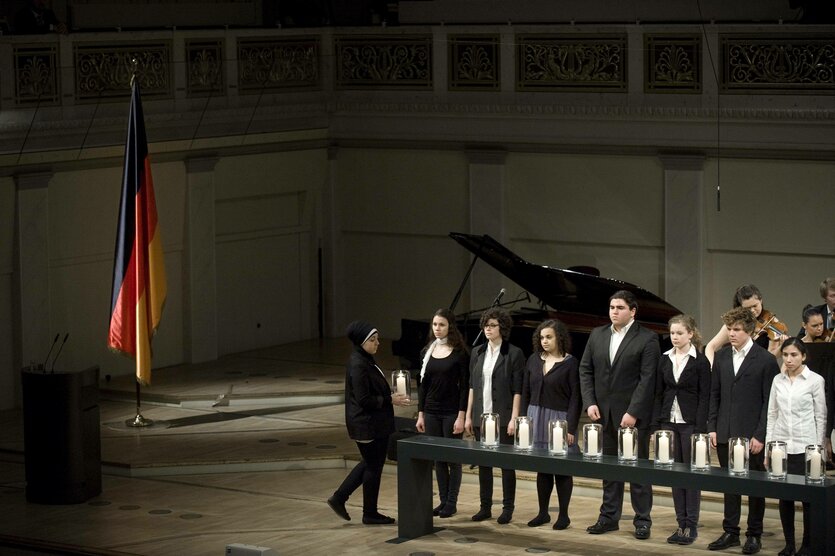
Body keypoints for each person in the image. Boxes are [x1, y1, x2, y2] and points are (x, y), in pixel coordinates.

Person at [579, 290, 660, 540]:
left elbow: (648, 380)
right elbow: (585, 370)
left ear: (632, 311)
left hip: (633, 417)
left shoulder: (647, 338)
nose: (614, 311)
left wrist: (633, 412)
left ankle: (642, 520)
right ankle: (608, 517)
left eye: (620, 307)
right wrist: (590, 402)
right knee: (610, 470)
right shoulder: (597, 334)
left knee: (638, 472)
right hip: (604, 415)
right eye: (612, 307)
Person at [707, 306, 780, 554]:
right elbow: (714, 395)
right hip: (726, 431)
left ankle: (754, 534)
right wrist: (713, 428)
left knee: (754, 487)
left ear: (749, 330)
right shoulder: (723, 357)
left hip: (752, 435)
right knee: (730, 485)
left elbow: (769, 402)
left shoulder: (766, 360)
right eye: (729, 329)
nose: (732, 334)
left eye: (737, 329)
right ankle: (730, 531)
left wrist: (761, 434)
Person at [327, 321, 408, 525]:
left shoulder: (366, 359)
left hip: (373, 423)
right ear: (361, 342)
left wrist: (387, 395)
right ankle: (366, 511)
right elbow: (364, 400)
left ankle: (343, 499)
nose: (377, 343)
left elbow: (371, 392)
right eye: (373, 340)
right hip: (366, 424)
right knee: (372, 466)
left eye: (377, 339)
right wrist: (390, 399)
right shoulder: (358, 364)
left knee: (370, 463)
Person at [765, 338, 827, 556]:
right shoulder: (777, 380)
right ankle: (789, 544)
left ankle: (808, 544)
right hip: (781, 447)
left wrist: (819, 449)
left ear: (803, 356)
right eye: (785, 355)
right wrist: (768, 449)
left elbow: (820, 416)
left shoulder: (815, 380)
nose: (789, 359)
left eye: (793, 355)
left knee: (808, 500)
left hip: (806, 448)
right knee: (785, 498)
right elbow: (772, 415)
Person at [652, 314, 710, 546]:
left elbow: (705, 396)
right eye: (672, 333)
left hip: (691, 424)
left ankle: (691, 525)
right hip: (669, 422)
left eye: (679, 333)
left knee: (691, 474)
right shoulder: (665, 359)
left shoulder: (700, 361)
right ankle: (680, 523)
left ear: (690, 334)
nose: (674, 337)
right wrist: (658, 425)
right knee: (675, 473)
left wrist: (701, 427)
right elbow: (658, 393)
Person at [464, 307, 524, 525]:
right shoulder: (477, 352)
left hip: (504, 417)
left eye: (492, 326)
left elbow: (518, 389)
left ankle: (507, 508)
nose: (487, 329)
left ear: (502, 327)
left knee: (507, 465)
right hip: (482, 417)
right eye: (485, 326)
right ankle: (485, 507)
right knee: (484, 464)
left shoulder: (514, 353)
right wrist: (469, 415)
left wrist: (514, 418)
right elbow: (472, 386)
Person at [522, 319, 581, 530]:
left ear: (559, 338)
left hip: (559, 419)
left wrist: (571, 428)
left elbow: (576, 397)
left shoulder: (571, 363)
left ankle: (563, 515)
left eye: (549, 337)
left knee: (562, 469)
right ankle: (543, 513)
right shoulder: (533, 360)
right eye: (542, 337)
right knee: (543, 468)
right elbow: (525, 392)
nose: (544, 341)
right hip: (535, 416)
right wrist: (523, 422)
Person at [414, 308, 469, 518]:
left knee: (453, 459)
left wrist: (461, 415)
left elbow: (465, 386)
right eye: (435, 324)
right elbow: (422, 386)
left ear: (450, 326)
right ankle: (443, 501)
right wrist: (420, 414)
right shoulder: (426, 351)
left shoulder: (459, 352)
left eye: (442, 325)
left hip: (451, 412)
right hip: (431, 411)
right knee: (438, 459)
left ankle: (452, 502)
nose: (437, 329)